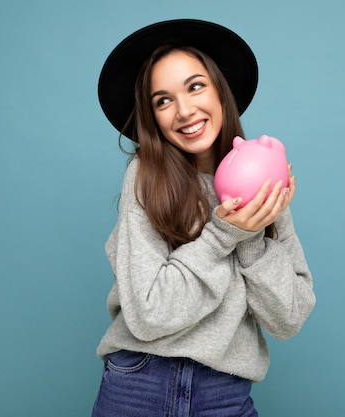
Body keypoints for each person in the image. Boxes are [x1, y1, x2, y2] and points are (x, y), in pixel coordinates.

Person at [92, 19, 316, 417]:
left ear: (219, 89)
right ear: (152, 116)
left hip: (224, 393)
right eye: (163, 101)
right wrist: (223, 233)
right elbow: (149, 315)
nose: (184, 110)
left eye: (195, 86)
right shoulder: (146, 177)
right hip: (140, 384)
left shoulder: (263, 186)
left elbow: (289, 319)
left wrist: (251, 233)